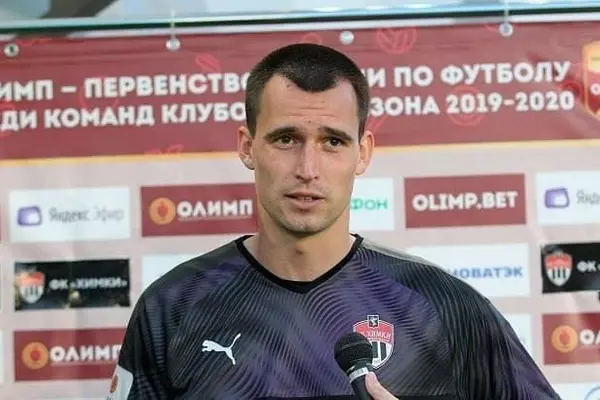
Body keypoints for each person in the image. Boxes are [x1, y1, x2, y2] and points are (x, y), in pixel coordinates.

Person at [106, 43, 561, 400]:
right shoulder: (172, 308)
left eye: (333, 142)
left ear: (362, 153)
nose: (308, 168)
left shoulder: (444, 307)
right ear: (247, 147)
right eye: (286, 139)